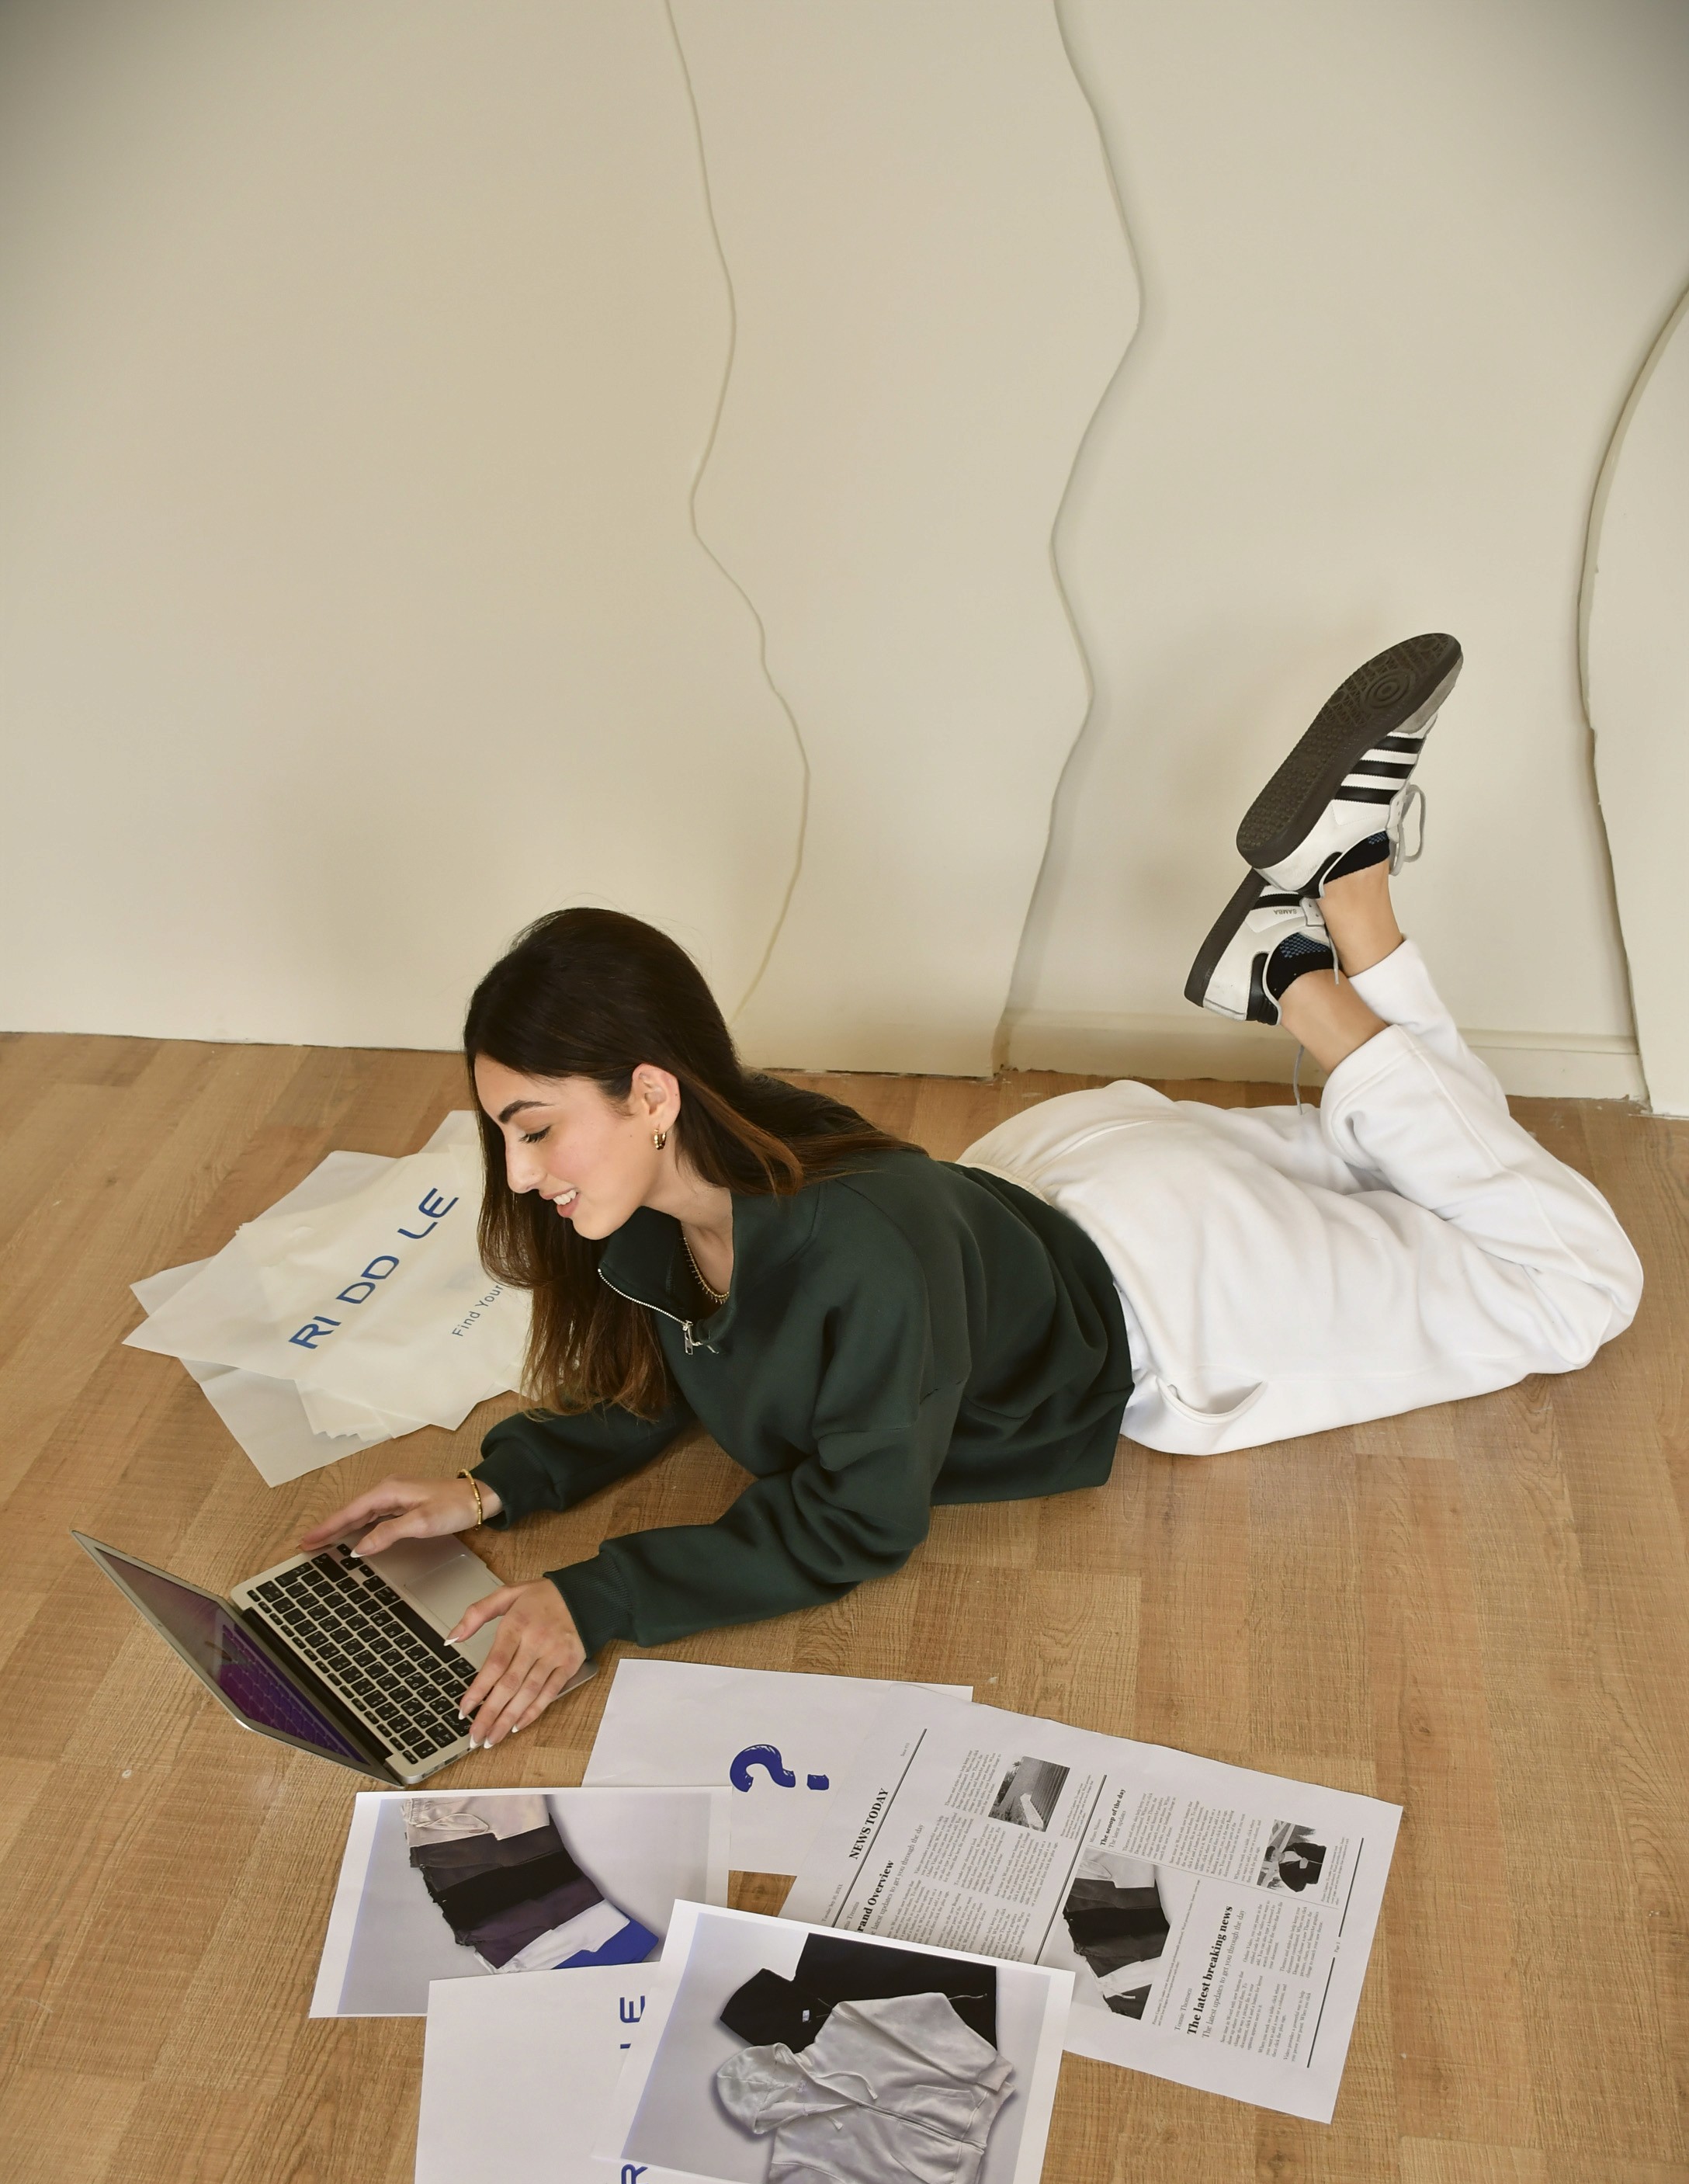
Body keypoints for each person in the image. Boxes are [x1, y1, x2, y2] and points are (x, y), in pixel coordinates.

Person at [304, 634, 1642, 1748]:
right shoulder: (698, 1188)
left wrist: (595, 1600)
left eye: (538, 1130)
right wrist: (489, 1490)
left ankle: (1292, 974)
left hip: (1167, 1285)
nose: (522, 1174)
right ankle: (1346, 896)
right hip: (1054, 1197)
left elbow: (855, 1522)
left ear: (651, 1094)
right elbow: (666, 1383)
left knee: (1579, 1278)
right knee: (1421, 1167)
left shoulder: (849, 1256)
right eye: (505, 1139)